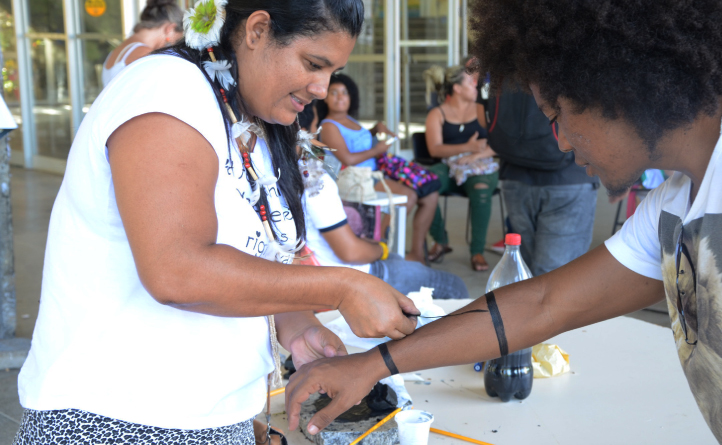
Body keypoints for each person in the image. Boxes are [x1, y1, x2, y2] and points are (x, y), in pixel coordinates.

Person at [284, 0, 722, 443]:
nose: (560, 142)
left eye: (557, 116)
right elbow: (542, 302)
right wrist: (372, 365)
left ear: (614, 86)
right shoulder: (674, 202)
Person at [14, 1, 420, 443]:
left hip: (205, 419)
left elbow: (242, 257)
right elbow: (178, 270)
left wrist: (297, 324)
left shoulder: (247, 113)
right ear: (258, 30)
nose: (322, 87)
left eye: (332, 71)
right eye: (313, 63)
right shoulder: (166, 90)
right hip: (117, 422)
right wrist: (342, 287)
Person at [477, 81, 599, 276]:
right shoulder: (575, 55)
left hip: (514, 172)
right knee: (558, 277)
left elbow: (484, 119)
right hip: (568, 174)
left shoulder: (501, 60)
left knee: (524, 271)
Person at [318, 73, 439, 264]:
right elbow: (347, 159)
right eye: (334, 92)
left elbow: (359, 141)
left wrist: (375, 129)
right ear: (324, 97)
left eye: (345, 93)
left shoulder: (351, 120)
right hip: (356, 179)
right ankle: (378, 243)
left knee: (430, 195)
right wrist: (377, 150)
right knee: (409, 196)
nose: (340, 97)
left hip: (375, 175)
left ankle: (416, 253)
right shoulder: (328, 126)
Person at [303, 171, 469, 299]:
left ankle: (415, 256)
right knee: (455, 285)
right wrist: (381, 249)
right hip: (347, 274)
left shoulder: (281, 179)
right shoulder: (314, 179)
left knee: (397, 259)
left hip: (321, 268)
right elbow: (350, 253)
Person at [423, 64, 499, 271]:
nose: (476, 85)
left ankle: (477, 252)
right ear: (456, 88)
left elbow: (500, 142)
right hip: (449, 165)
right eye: (470, 81)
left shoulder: (482, 110)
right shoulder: (437, 114)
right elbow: (435, 150)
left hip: (481, 165)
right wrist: (467, 147)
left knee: (481, 188)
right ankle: (440, 240)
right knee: (424, 183)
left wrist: (477, 153)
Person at [101, 0, 183, 87]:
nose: (171, 44)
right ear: (170, 28)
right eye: (176, 40)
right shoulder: (145, 55)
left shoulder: (118, 50)